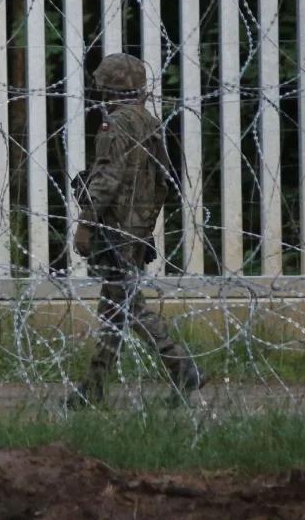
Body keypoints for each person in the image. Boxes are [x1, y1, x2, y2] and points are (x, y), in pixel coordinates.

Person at [65, 53, 204, 409]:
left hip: (114, 228)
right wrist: (145, 221)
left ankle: (181, 366)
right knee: (115, 308)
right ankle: (93, 387)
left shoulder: (116, 125)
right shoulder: (151, 123)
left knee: (128, 307)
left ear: (107, 89)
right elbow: (163, 182)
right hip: (137, 227)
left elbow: (107, 180)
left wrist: (85, 223)